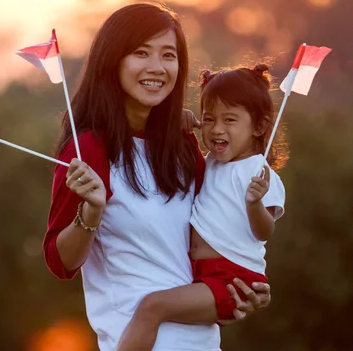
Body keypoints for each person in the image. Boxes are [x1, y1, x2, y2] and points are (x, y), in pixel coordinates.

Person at [42, 2, 272, 351]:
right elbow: (61, 261)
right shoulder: (89, 148)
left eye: (168, 55)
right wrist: (90, 215)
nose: (156, 67)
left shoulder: (181, 146)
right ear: (113, 60)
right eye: (141, 53)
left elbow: (208, 237)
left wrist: (241, 289)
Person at [116, 64, 288, 351]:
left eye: (230, 120)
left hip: (234, 279)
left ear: (259, 126)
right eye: (209, 119)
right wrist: (179, 119)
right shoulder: (209, 163)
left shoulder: (258, 172)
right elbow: (185, 136)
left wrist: (255, 203)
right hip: (201, 274)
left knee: (152, 307)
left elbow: (263, 231)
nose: (217, 129)